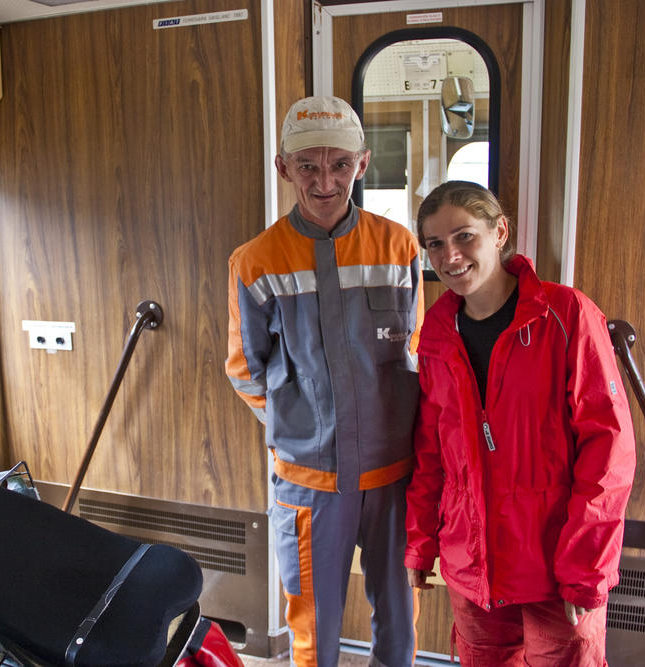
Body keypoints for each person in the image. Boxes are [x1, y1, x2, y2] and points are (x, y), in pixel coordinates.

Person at [225, 95, 423, 667]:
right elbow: (245, 367)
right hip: (309, 478)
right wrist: (303, 423)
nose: (325, 181)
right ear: (284, 167)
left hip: (393, 471)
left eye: (339, 164)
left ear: (362, 163)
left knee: (399, 619)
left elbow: (416, 349)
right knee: (313, 624)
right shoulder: (256, 261)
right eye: (308, 166)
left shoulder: (398, 246)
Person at [404, 181, 636, 666]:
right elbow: (431, 455)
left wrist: (585, 567)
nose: (450, 256)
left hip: (557, 571)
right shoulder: (436, 336)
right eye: (435, 244)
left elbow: (608, 452)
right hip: (474, 569)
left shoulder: (565, 313)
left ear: (500, 231)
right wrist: (420, 546)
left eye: (464, 236)